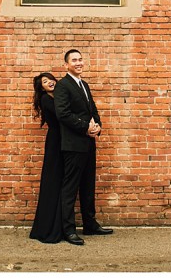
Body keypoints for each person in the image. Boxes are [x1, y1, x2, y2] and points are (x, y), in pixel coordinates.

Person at [54, 49, 112, 245]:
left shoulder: (84, 85)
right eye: (74, 60)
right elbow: (63, 113)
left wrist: (98, 125)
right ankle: (68, 229)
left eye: (80, 60)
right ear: (66, 65)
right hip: (73, 144)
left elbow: (92, 109)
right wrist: (85, 127)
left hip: (88, 143)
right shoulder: (63, 86)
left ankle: (90, 224)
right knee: (70, 188)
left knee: (88, 186)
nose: (79, 63)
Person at [29, 72, 64, 243]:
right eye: (45, 81)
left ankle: (60, 224)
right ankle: (48, 228)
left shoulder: (58, 95)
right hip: (55, 141)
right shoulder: (46, 99)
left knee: (62, 182)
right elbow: (61, 115)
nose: (49, 82)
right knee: (52, 181)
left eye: (50, 79)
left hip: (63, 139)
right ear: (41, 87)